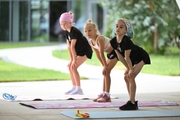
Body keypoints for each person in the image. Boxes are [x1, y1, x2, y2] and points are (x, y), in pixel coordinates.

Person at [110, 18, 151, 110]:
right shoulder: (113, 41)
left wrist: (131, 69)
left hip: (141, 57)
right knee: (126, 77)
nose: (118, 28)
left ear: (126, 31)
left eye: (121, 27)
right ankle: (132, 101)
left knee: (131, 76)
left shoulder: (126, 41)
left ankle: (132, 102)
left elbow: (127, 57)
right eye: (117, 26)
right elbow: (120, 57)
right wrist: (129, 68)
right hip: (132, 60)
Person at [84, 19, 118, 102]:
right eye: (85, 31)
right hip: (110, 54)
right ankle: (103, 93)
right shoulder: (90, 41)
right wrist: (103, 66)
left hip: (116, 51)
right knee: (105, 72)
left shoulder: (100, 39)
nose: (87, 33)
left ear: (95, 31)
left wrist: (105, 66)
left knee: (107, 71)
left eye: (89, 30)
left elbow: (102, 53)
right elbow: (98, 55)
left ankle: (107, 95)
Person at [59, 11, 93, 95]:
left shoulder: (74, 31)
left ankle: (79, 89)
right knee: (71, 66)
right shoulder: (67, 32)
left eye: (65, 24)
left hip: (85, 51)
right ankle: (74, 87)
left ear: (70, 22)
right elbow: (68, 47)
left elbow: (72, 46)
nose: (63, 26)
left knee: (73, 67)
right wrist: (71, 60)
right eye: (61, 24)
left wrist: (74, 60)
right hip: (79, 52)